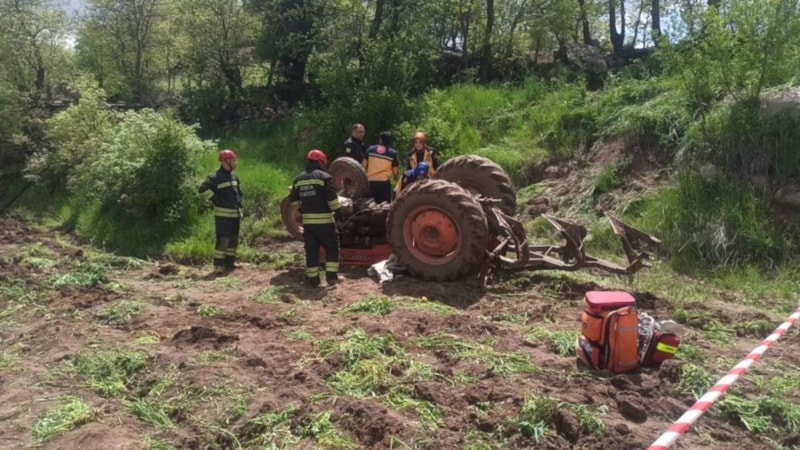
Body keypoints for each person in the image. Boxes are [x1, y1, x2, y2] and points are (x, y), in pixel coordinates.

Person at [289, 149, 341, 287]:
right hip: (325, 222)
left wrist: (303, 209)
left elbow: (293, 201)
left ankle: (313, 281)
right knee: (331, 248)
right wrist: (339, 213)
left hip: (308, 223)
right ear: (320, 162)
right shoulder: (325, 177)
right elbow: (333, 202)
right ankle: (331, 278)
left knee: (311, 251)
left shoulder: (298, 179)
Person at [199, 149, 243, 274]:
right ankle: (218, 266)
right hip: (223, 216)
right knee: (223, 240)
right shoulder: (215, 177)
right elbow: (202, 189)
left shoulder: (234, 176)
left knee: (233, 240)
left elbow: (237, 193)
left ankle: (230, 263)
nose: (235, 162)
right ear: (226, 161)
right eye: (233, 160)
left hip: (235, 214)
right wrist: (216, 200)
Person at [362, 131, 399, 204]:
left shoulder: (370, 149)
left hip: (370, 182)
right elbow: (395, 171)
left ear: (380, 140)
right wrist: (395, 177)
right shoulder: (392, 153)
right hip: (384, 183)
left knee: (370, 205)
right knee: (385, 206)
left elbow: (363, 165)